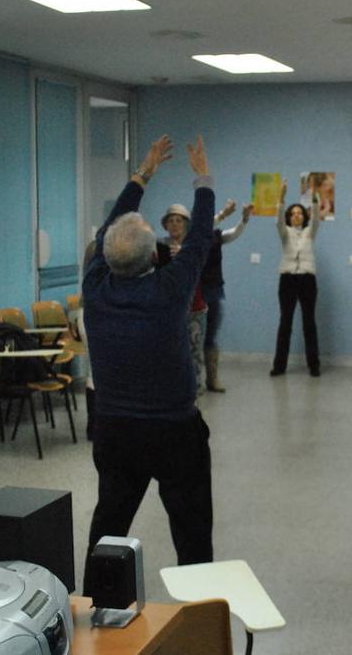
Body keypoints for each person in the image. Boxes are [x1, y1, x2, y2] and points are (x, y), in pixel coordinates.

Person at [82, 134, 217, 578]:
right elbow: (199, 238)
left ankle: (96, 613)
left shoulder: (96, 288)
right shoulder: (169, 290)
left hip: (116, 430)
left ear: (104, 256)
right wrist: (203, 179)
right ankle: (198, 621)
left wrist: (143, 173)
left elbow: (108, 229)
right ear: (154, 256)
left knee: (108, 526)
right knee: (192, 532)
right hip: (175, 432)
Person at [199, 199, 253, 393]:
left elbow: (234, 233)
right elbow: (200, 229)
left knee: (211, 336)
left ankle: (212, 380)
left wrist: (244, 219)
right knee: (191, 337)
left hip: (213, 289)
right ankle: (192, 380)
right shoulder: (191, 237)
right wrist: (223, 214)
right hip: (193, 292)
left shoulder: (215, 236)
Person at [158, 200, 210, 394]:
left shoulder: (193, 246)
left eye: (178, 220)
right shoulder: (160, 246)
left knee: (194, 349)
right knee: (170, 349)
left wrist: (183, 255)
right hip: (168, 307)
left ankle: (196, 386)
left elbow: (202, 270)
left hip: (194, 307)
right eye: (170, 221)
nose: (174, 224)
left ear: (186, 223)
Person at [270, 181, 322, 377]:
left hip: (307, 279)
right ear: (289, 217)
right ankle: (279, 366)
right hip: (288, 279)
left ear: (304, 216)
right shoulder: (285, 233)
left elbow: (316, 218)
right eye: (293, 213)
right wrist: (281, 198)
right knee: (285, 322)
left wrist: (315, 198)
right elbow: (278, 222)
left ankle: (314, 365)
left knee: (309, 322)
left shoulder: (310, 232)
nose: (297, 216)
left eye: (300, 213)